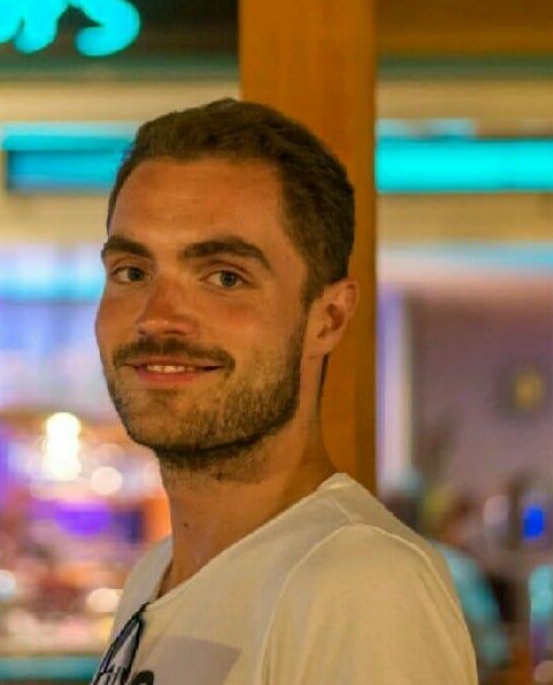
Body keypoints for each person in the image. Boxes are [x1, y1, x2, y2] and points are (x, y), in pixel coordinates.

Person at [93, 98, 478, 684]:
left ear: (327, 318)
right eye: (132, 272)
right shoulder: (155, 575)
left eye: (225, 277)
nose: (158, 317)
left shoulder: (362, 584)